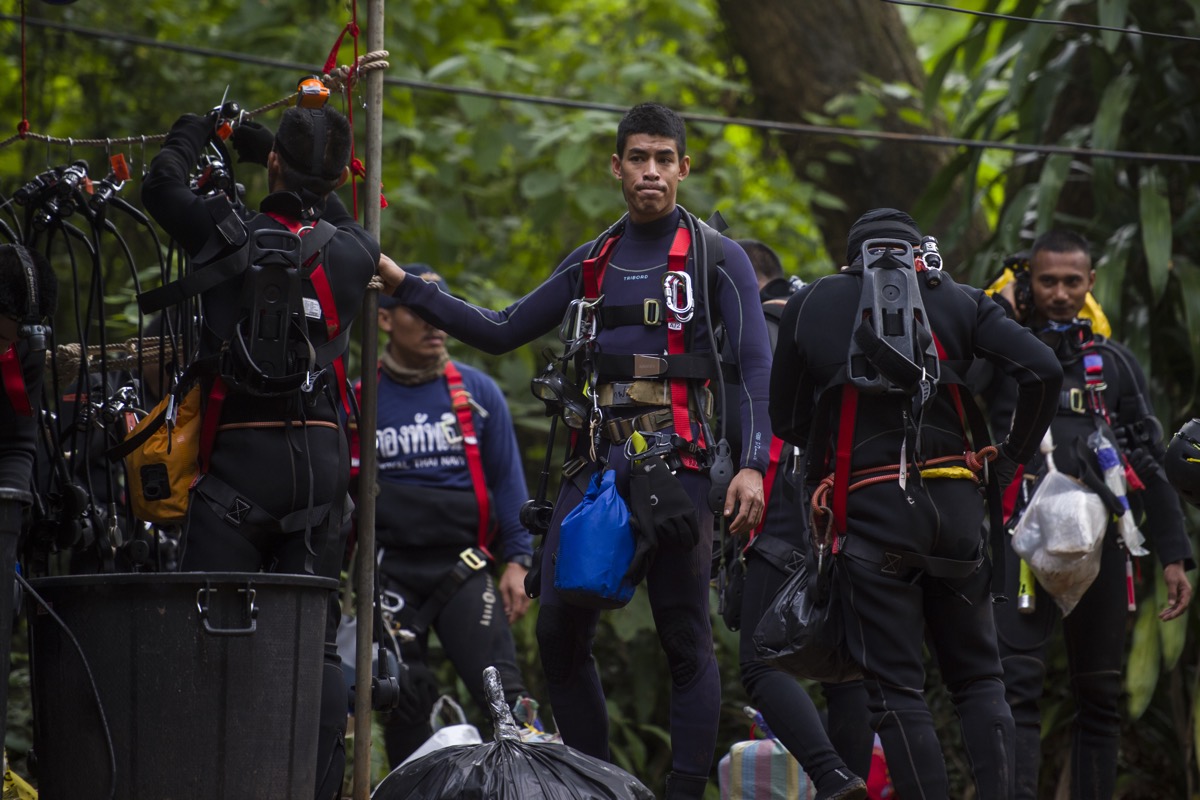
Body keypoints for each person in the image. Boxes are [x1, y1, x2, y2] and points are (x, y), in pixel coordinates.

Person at [378, 102, 772, 799]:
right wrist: (406, 285)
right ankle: (597, 785)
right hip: (595, 476)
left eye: (663, 159)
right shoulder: (595, 259)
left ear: (684, 166)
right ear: (615, 166)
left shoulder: (718, 257)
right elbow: (501, 330)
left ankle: (680, 792)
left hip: (678, 472)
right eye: (638, 158)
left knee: (685, 639)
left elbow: (751, 366)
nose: (650, 172)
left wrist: (752, 463)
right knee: (558, 633)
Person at [769, 208, 1063, 800]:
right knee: (981, 678)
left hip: (871, 513)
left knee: (898, 691)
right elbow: (1044, 370)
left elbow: (786, 420)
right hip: (957, 511)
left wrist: (832, 440)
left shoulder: (813, 303)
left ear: (851, 258)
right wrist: (1009, 457)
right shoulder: (959, 298)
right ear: (916, 254)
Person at [141, 102, 381, 799]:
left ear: (274, 162)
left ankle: (213, 781)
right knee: (312, 642)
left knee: (210, 637)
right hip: (321, 467)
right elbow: (321, 204)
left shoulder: (225, 231)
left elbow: (161, 184)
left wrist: (195, 129)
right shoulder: (354, 248)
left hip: (242, 463)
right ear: (339, 175)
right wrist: (269, 148)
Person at [990, 229, 1193, 800]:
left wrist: (1175, 556)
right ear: (1027, 282)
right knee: (1016, 690)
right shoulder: (1002, 352)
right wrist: (999, 311)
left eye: (1071, 282)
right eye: (1046, 281)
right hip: (1020, 542)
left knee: (1100, 694)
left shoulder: (1115, 364)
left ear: (1090, 282)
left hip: (1103, 545)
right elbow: (958, 382)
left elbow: (1150, 461)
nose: (1058, 293)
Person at [349, 263, 540, 766]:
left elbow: (508, 483)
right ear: (386, 320)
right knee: (403, 700)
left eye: (442, 313)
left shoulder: (478, 394)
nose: (437, 324)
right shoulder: (357, 398)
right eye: (420, 311)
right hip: (388, 571)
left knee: (504, 698)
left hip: (465, 569)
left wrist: (518, 560)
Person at [730, 239, 871, 800]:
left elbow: (765, 422)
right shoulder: (832, 311)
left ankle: (833, 777)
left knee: (762, 665)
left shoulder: (753, 324)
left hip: (785, 497)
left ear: (745, 280)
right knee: (845, 668)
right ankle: (848, 782)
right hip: (863, 495)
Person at [0, 244, 56, 744]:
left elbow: (21, 439)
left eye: (22, 338)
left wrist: (11, 511)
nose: (12, 345)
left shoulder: (23, 350)